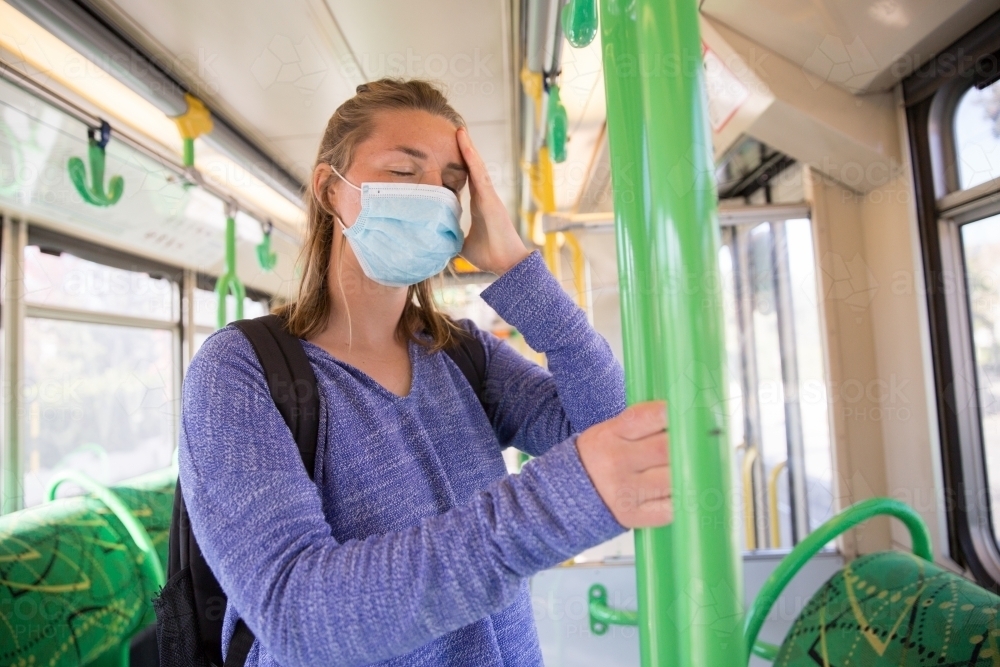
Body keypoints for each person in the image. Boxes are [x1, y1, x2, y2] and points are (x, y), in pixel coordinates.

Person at [179, 78, 671, 667]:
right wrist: (548, 507)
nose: (432, 196)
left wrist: (517, 268)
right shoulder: (240, 372)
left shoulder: (463, 354)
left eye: (451, 184)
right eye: (404, 173)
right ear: (330, 190)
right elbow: (298, 615)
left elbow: (613, 427)